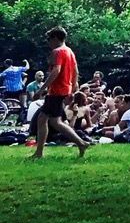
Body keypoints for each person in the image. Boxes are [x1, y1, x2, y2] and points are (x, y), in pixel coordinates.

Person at [31, 27, 92, 158]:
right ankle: (39, 152)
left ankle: (81, 143)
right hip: (64, 90)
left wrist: (41, 90)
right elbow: (76, 71)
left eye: (49, 39)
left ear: (55, 38)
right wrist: (73, 88)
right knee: (46, 120)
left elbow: (56, 71)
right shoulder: (70, 51)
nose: (48, 43)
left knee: (53, 121)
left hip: (56, 91)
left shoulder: (57, 52)